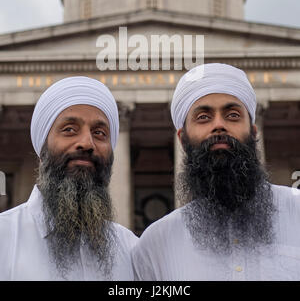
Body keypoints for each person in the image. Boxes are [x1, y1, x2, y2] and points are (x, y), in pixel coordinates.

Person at [131, 63, 300, 281]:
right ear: (182, 140)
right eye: (203, 117)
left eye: (232, 115)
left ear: (253, 132)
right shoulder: (155, 245)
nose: (219, 125)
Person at [0, 76, 138, 281]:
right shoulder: (4, 237)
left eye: (99, 133)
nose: (86, 143)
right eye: (69, 130)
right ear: (42, 148)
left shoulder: (132, 250)